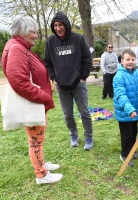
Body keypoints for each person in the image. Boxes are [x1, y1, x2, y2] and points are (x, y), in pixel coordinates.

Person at [1, 16, 63, 184]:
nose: (36, 35)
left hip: (35, 102)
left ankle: (41, 164)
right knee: (36, 140)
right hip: (33, 103)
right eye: (33, 32)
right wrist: (44, 98)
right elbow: (19, 82)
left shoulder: (20, 46)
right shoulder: (17, 49)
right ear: (21, 33)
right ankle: (41, 174)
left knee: (38, 139)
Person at [44, 11, 93, 150]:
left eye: (60, 25)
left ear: (66, 25)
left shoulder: (78, 39)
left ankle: (89, 137)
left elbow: (87, 59)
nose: (58, 28)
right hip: (61, 85)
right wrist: (54, 78)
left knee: (84, 112)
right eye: (55, 25)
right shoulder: (50, 42)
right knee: (68, 115)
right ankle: (73, 135)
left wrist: (83, 77)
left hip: (78, 83)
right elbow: (47, 62)